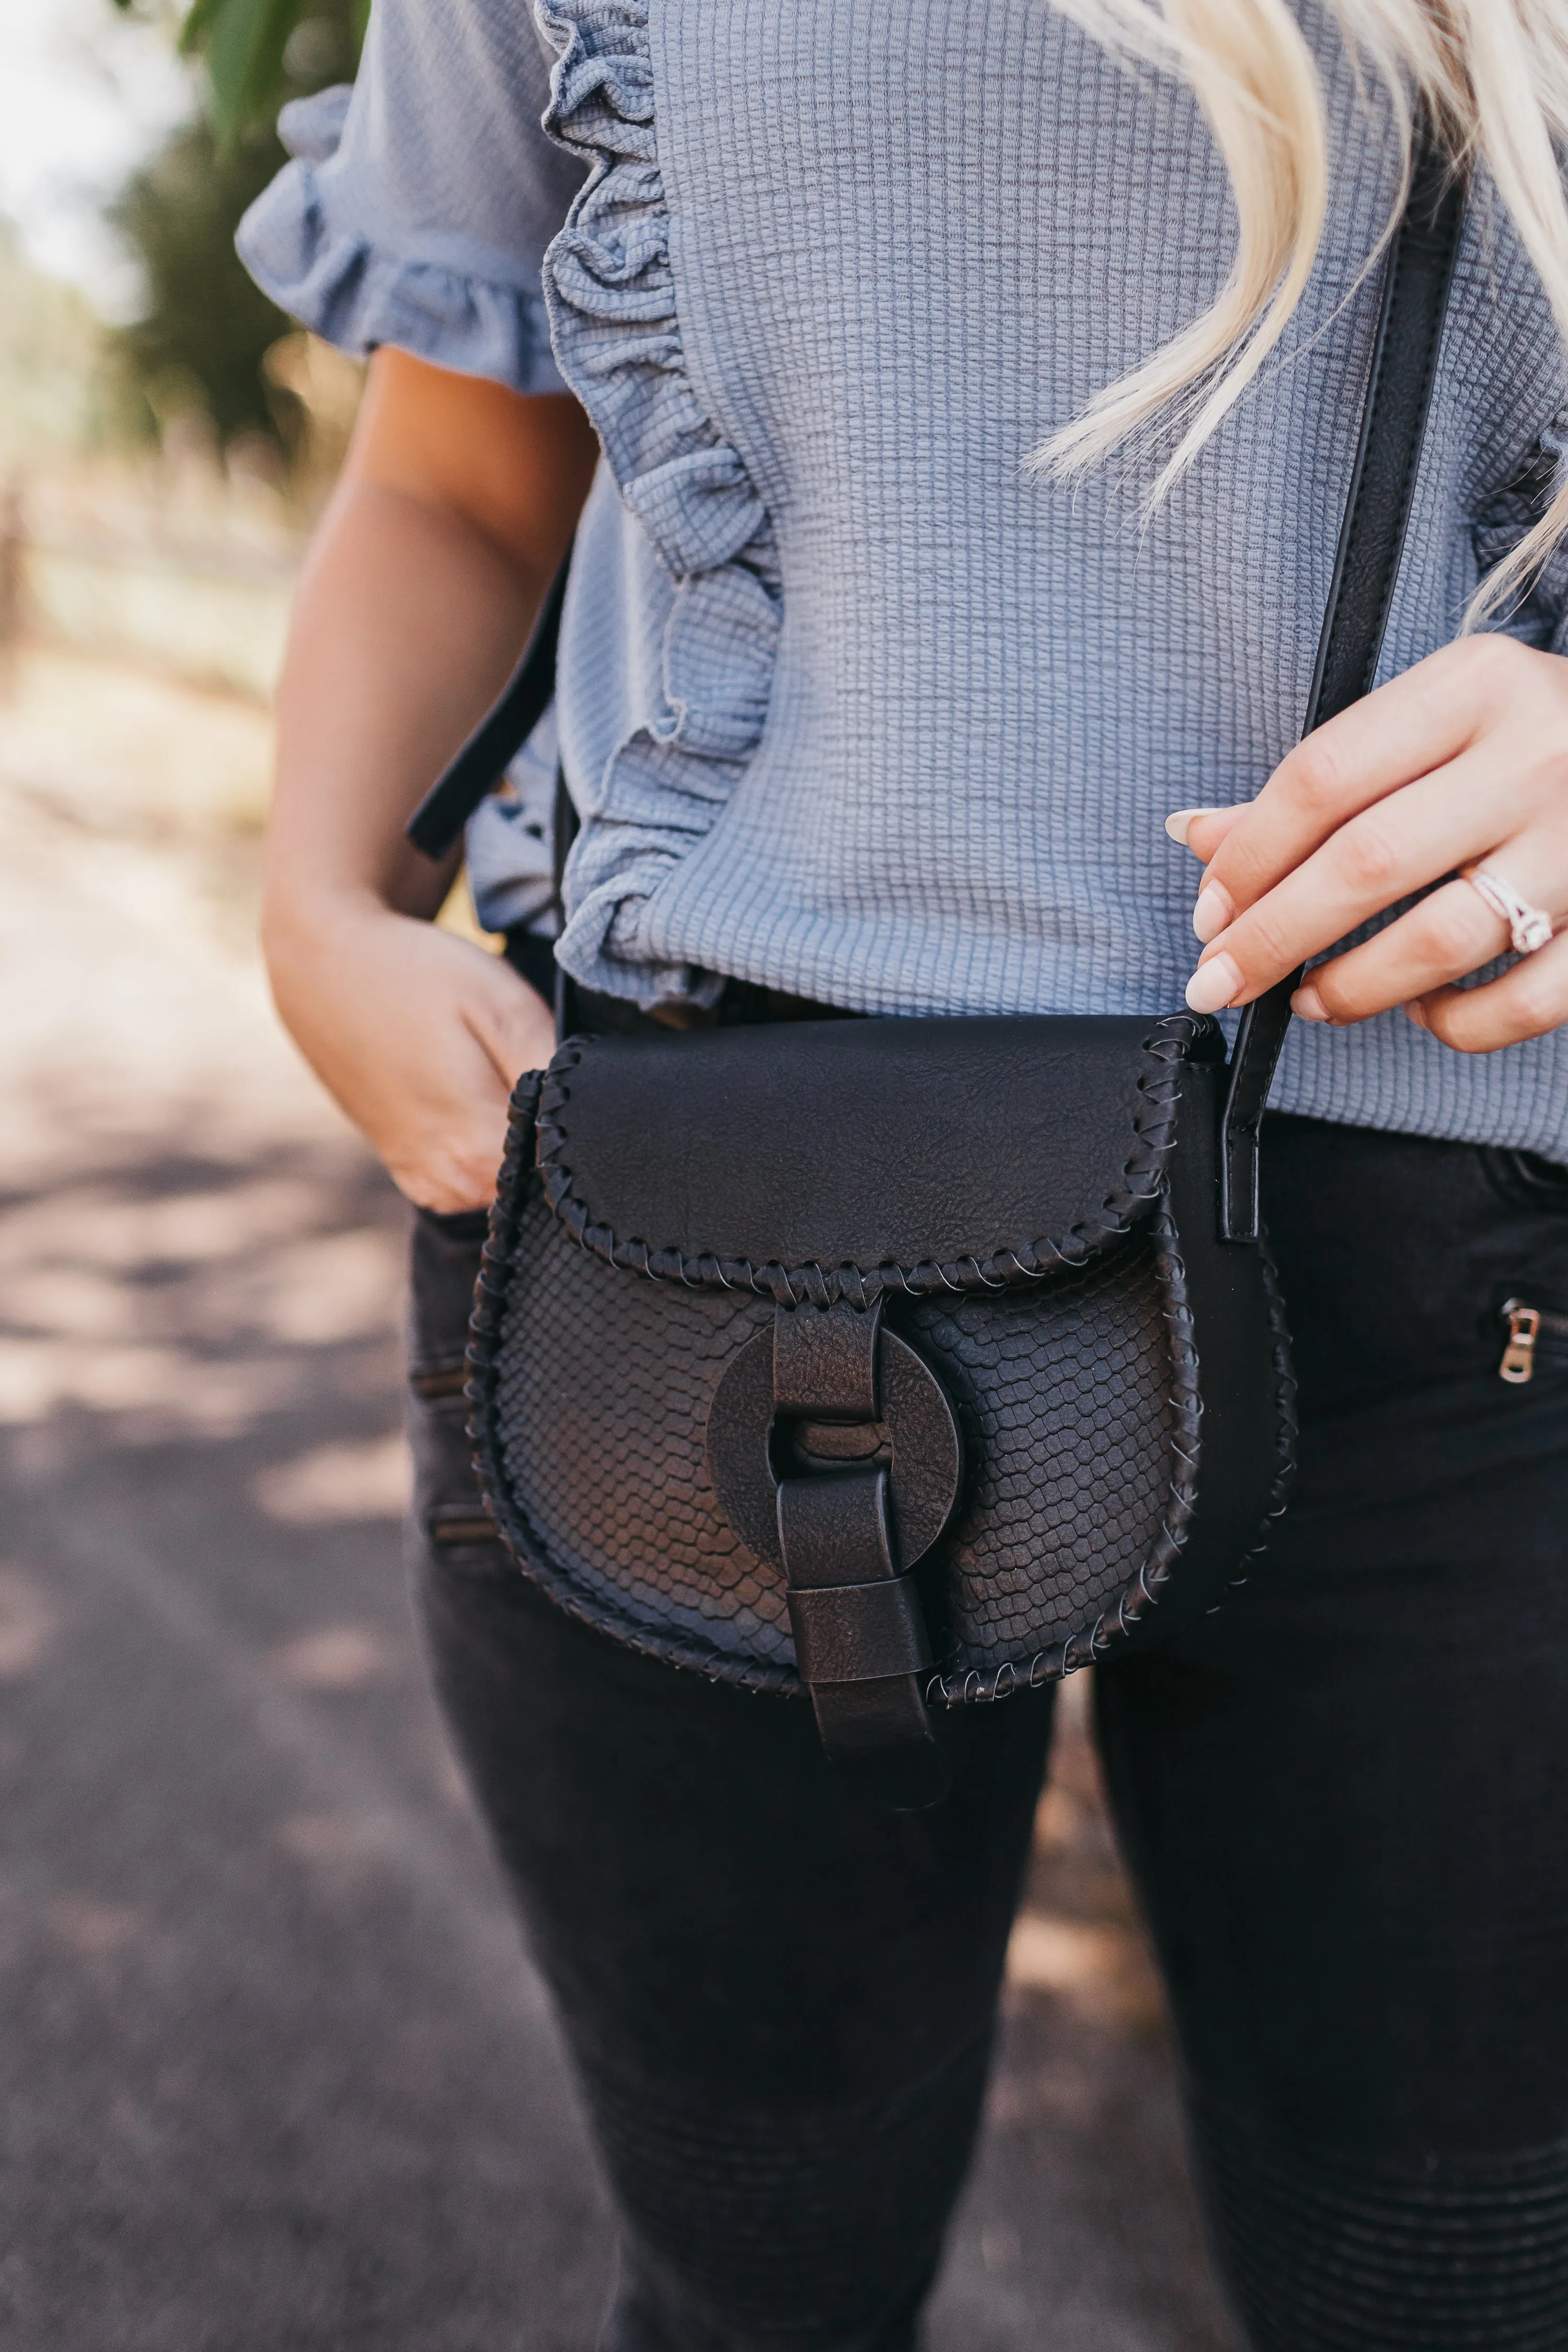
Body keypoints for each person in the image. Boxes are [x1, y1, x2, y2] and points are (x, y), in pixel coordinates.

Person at [237, 3, 1568, 2344]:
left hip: (1453, 1277)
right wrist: (319, 915)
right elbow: (454, 478)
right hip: (682, 1226)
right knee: (755, 2291)